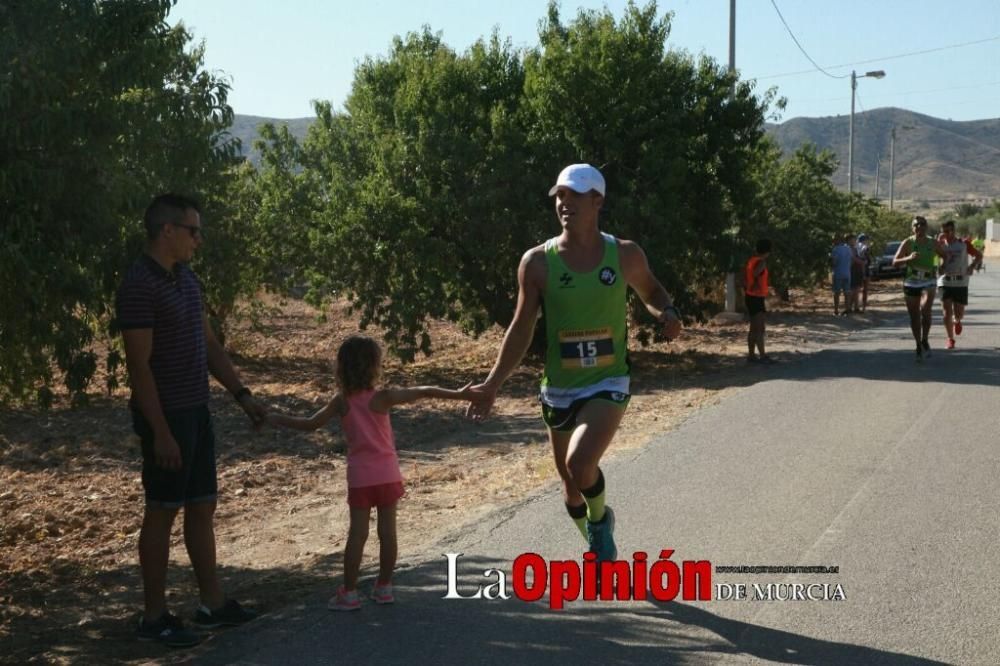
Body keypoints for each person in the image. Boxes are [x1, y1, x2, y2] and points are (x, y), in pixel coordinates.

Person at [466, 164, 682, 563]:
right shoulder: (538, 263)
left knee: (581, 464)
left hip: (608, 380)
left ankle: (600, 534)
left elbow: (651, 289)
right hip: (559, 387)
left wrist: (665, 311)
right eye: (560, 195)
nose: (564, 203)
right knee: (569, 485)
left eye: (575, 194)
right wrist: (492, 383)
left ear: (598, 201)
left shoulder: (624, 254)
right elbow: (520, 328)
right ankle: (597, 534)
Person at [116, 194, 265, 647]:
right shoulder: (139, 284)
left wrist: (241, 395)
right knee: (161, 512)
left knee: (202, 506)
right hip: (166, 417)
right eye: (192, 230)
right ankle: (154, 616)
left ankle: (212, 604)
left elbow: (210, 344)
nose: (199, 239)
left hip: (197, 411)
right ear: (167, 231)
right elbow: (138, 366)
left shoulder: (187, 278)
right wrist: (159, 430)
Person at [266, 335, 472, 610]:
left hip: (360, 477)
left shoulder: (341, 402)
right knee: (388, 533)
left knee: (357, 535)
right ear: (374, 366)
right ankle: (384, 587)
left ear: (341, 368)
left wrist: (275, 418)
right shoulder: (383, 398)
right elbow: (424, 391)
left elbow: (310, 424)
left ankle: (349, 593)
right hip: (387, 473)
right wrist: (460, 393)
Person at [892, 216, 946, 361]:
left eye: (922, 225)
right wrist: (908, 258)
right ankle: (918, 344)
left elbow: (945, 256)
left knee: (925, 310)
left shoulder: (933, 243)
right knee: (914, 316)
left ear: (926, 227)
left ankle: (925, 339)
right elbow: (895, 262)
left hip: (928, 280)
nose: (919, 227)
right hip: (911, 281)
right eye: (916, 225)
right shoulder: (907, 243)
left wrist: (942, 266)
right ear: (912, 228)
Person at [937, 220, 983, 349]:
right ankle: (950, 339)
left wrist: (972, 266)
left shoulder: (963, 244)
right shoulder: (939, 245)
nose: (947, 234)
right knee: (946, 312)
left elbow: (979, 255)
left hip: (961, 282)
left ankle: (957, 321)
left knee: (959, 313)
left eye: (949, 231)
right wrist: (938, 267)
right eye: (945, 231)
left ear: (954, 231)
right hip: (945, 280)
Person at [744, 239, 773, 364]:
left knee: (753, 328)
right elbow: (756, 274)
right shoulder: (761, 262)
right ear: (767, 251)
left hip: (750, 296)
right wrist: (756, 283)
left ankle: (751, 356)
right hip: (756, 297)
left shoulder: (751, 260)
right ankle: (762, 356)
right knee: (760, 328)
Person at [831, 235, 853, 316]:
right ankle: (847, 309)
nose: (833, 242)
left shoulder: (835, 249)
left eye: (833, 240)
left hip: (838, 273)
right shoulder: (848, 249)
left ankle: (836, 310)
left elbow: (834, 262)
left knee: (836, 292)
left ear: (837, 240)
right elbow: (851, 260)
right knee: (847, 292)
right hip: (847, 273)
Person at [856, 233, 873, 312]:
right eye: (867, 239)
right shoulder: (863, 246)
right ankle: (863, 307)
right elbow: (865, 254)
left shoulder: (856, 247)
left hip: (860, 269)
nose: (868, 241)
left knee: (858, 289)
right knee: (864, 289)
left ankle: (857, 306)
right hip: (863, 269)